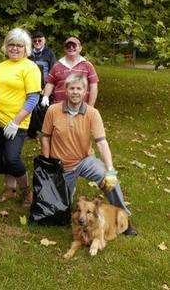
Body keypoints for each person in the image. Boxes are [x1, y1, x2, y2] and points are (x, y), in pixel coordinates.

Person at [41, 73, 137, 235]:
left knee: (109, 179)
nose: (76, 92)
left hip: (85, 161)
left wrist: (111, 170)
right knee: (60, 212)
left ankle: (124, 219)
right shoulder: (53, 110)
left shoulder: (92, 113)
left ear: (85, 91)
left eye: (79, 88)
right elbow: (45, 138)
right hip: (61, 167)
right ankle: (65, 196)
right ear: (66, 90)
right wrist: (48, 167)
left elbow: (101, 142)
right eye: (72, 88)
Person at [0, 28, 41, 205]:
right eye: (11, 44)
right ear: (6, 46)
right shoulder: (2, 66)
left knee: (12, 158)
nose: (15, 48)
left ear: (26, 48)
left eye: (19, 45)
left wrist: (16, 122)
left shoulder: (30, 68)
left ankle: (27, 191)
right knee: (3, 157)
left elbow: (33, 97)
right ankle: (10, 189)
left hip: (17, 123)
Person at [41, 36, 99, 107]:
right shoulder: (57, 65)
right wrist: (45, 97)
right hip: (59, 108)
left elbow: (93, 87)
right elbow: (50, 83)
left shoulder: (87, 65)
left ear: (80, 48)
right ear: (65, 49)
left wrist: (91, 106)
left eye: (74, 45)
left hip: (81, 109)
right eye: (68, 46)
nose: (71, 48)